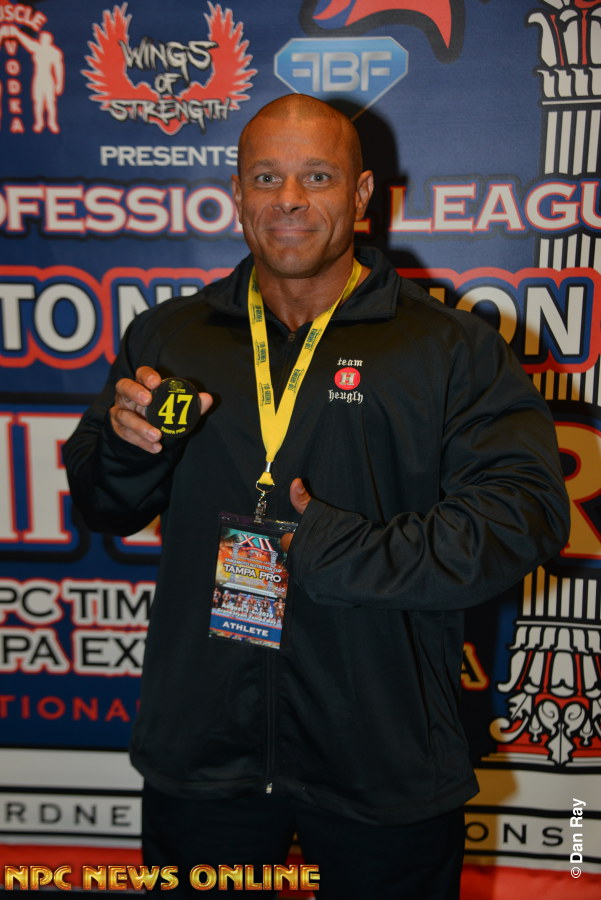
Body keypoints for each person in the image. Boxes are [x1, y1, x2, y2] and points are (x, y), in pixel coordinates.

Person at [63, 94, 570, 898]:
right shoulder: (171, 337)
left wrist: (337, 552)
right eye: (266, 177)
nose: (289, 200)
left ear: (361, 195)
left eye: (317, 176)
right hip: (205, 754)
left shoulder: (449, 348)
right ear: (237, 194)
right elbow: (102, 505)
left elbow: (522, 518)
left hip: (385, 757)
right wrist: (127, 452)